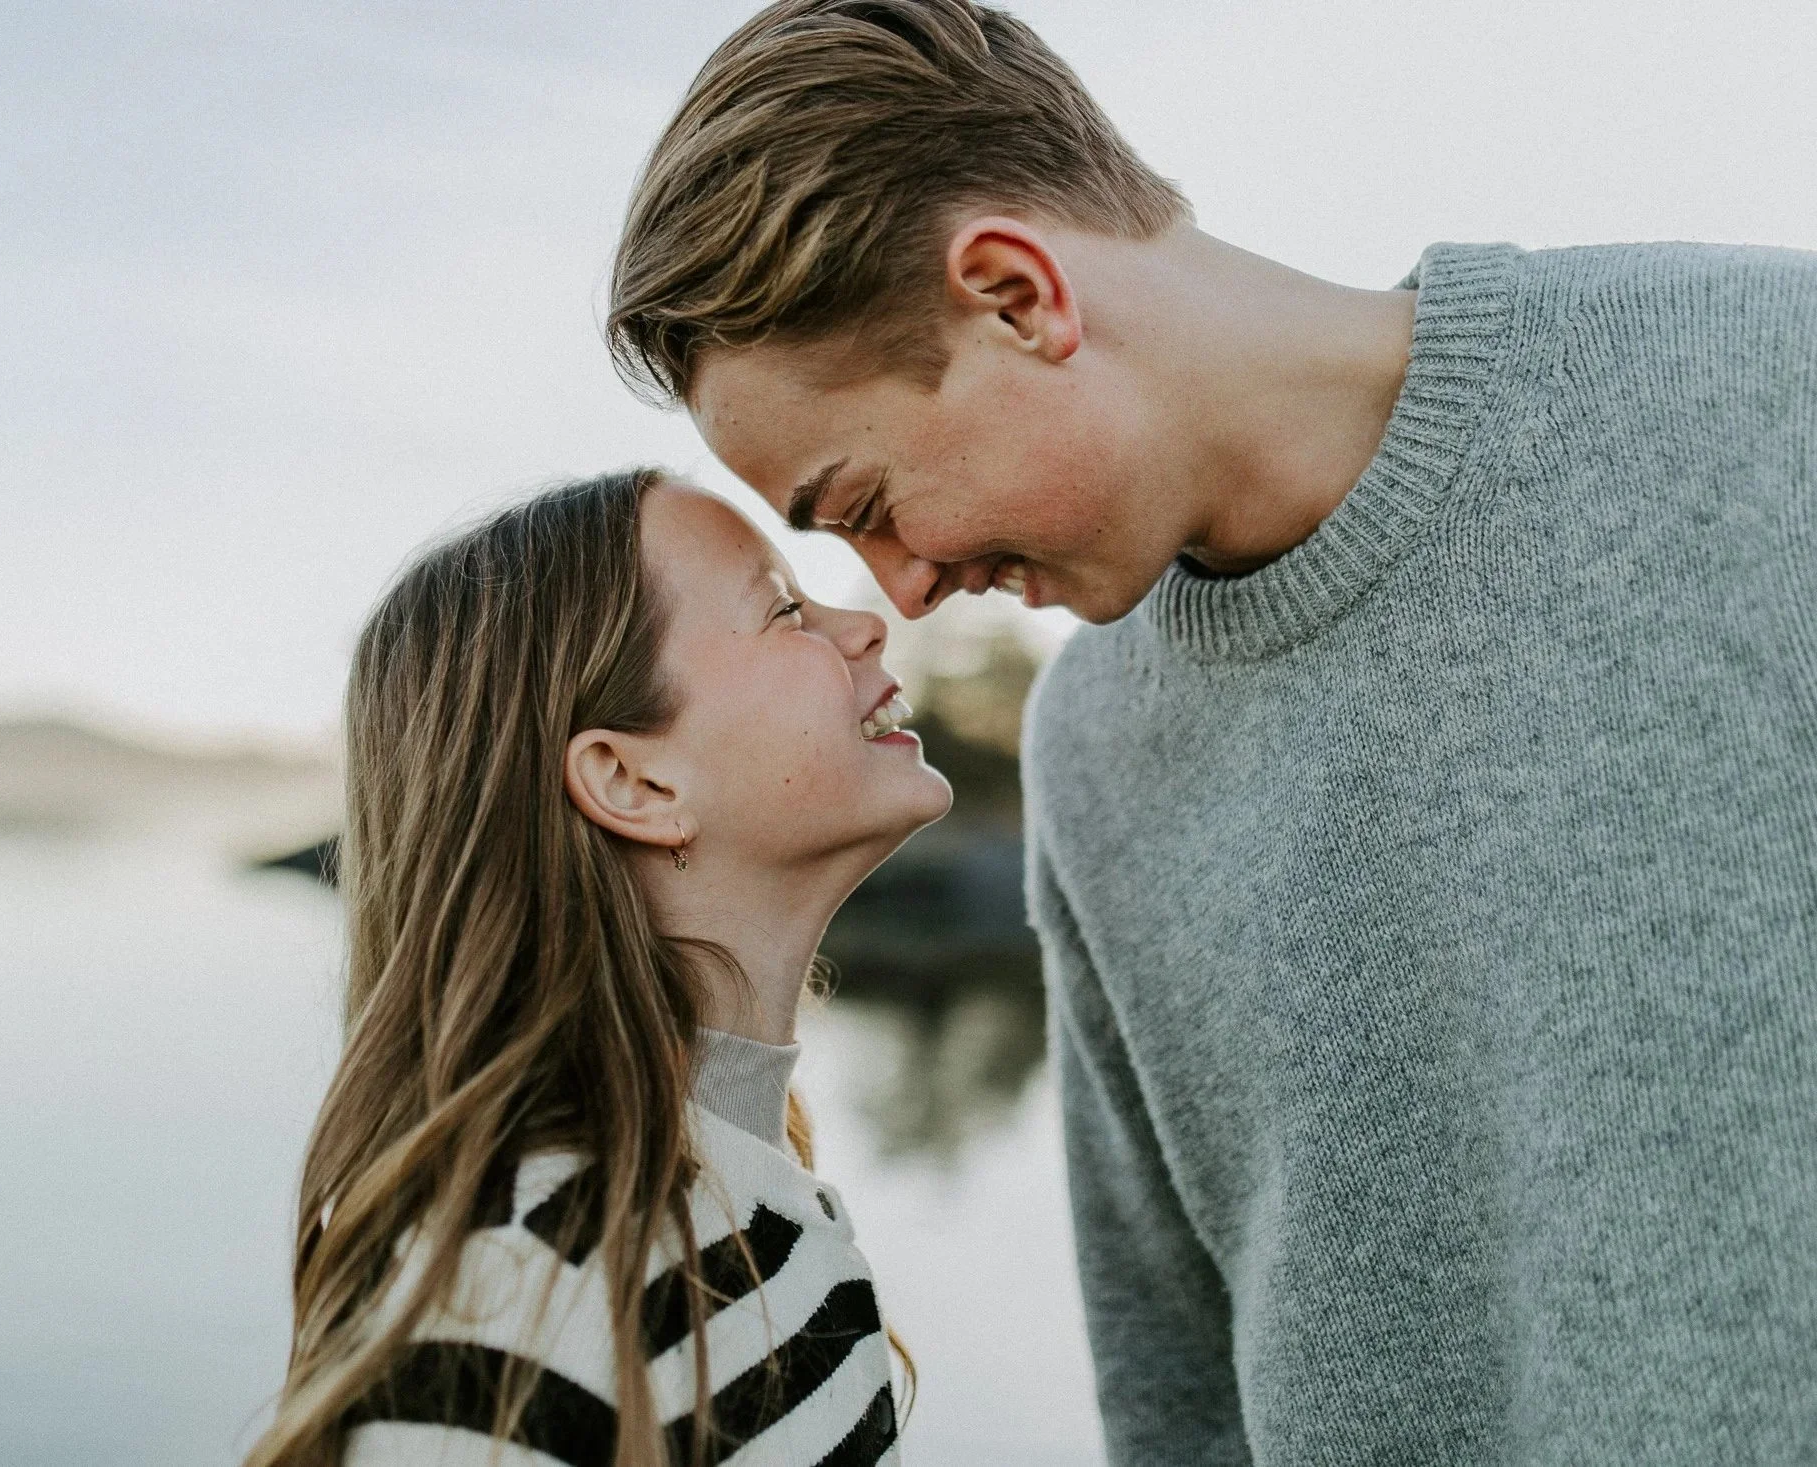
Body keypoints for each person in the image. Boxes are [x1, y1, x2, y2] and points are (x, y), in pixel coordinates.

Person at [606, 2, 1817, 1463]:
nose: (902, 592)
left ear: (1015, 296)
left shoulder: (1773, 391)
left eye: (866, 503)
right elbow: (1171, 1376)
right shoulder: (1095, 744)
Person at [244, 469, 947, 1467]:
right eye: (784, 609)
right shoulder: (519, 1297)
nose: (866, 625)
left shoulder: (741, 1194)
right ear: (632, 781)